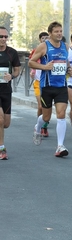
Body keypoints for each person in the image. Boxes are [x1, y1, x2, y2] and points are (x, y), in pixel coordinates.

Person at [28, 21, 72, 157]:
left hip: (61, 87)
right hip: (47, 86)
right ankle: (38, 126)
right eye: (56, 31)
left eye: (60, 31)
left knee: (61, 114)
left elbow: (66, 63)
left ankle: (60, 146)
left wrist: (70, 70)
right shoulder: (44, 46)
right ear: (50, 33)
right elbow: (31, 62)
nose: (59, 34)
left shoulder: (65, 46)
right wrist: (44, 67)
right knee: (46, 117)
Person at [0, 26, 21, 160]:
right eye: (1, 37)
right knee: (0, 120)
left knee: (6, 123)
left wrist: (11, 77)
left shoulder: (12, 52)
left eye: (5, 37)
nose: (3, 39)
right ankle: (2, 148)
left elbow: (17, 70)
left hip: (6, 91)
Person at [29, 31, 49, 137]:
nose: (45, 40)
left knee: (47, 107)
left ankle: (44, 126)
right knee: (41, 106)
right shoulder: (37, 50)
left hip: (47, 82)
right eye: (43, 38)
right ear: (40, 40)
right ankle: (39, 125)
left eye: (47, 38)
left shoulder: (51, 51)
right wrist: (32, 71)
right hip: (38, 82)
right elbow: (32, 62)